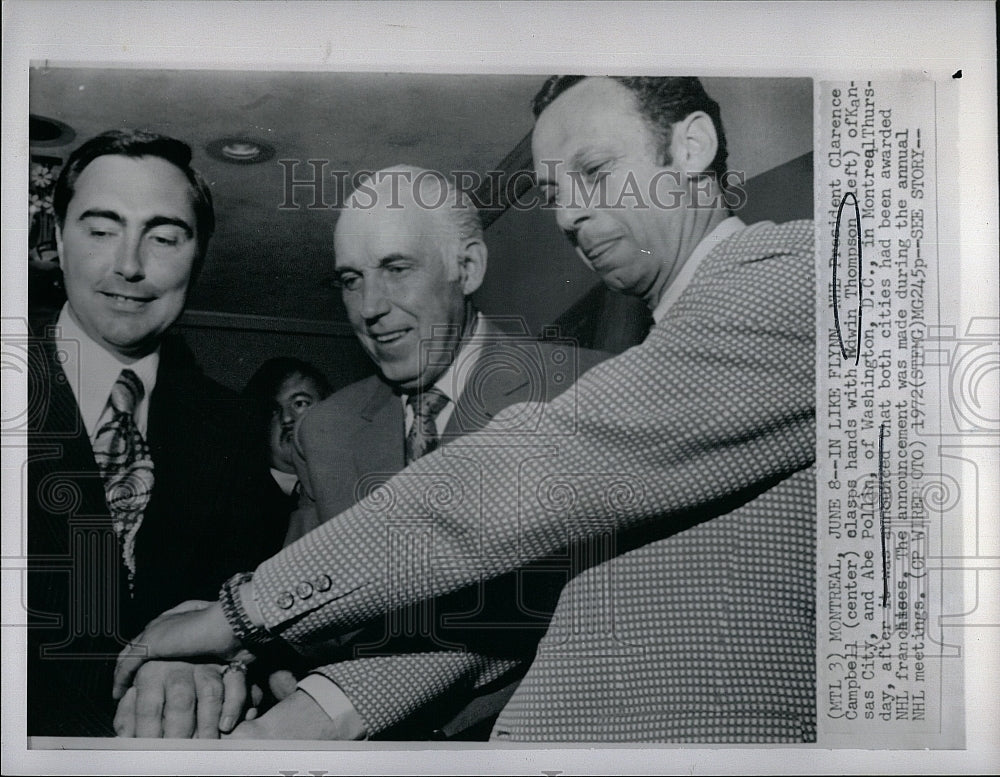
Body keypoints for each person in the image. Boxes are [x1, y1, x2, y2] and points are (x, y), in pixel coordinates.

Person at [114, 76, 817, 742]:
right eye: (552, 191)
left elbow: (523, 476)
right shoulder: (679, 350)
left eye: (595, 170)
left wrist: (243, 610)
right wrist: (305, 716)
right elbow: (518, 606)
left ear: (691, 146)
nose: (568, 213)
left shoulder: (800, 282)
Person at [26, 129, 286, 737]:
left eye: (165, 237)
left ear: (197, 259)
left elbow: (245, 602)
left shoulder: (235, 426)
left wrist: (217, 653)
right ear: (57, 241)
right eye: (100, 230)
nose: (130, 265)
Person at [242, 357, 332, 527]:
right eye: (274, 410)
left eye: (299, 403)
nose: (287, 418)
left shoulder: (353, 488)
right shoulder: (237, 501)